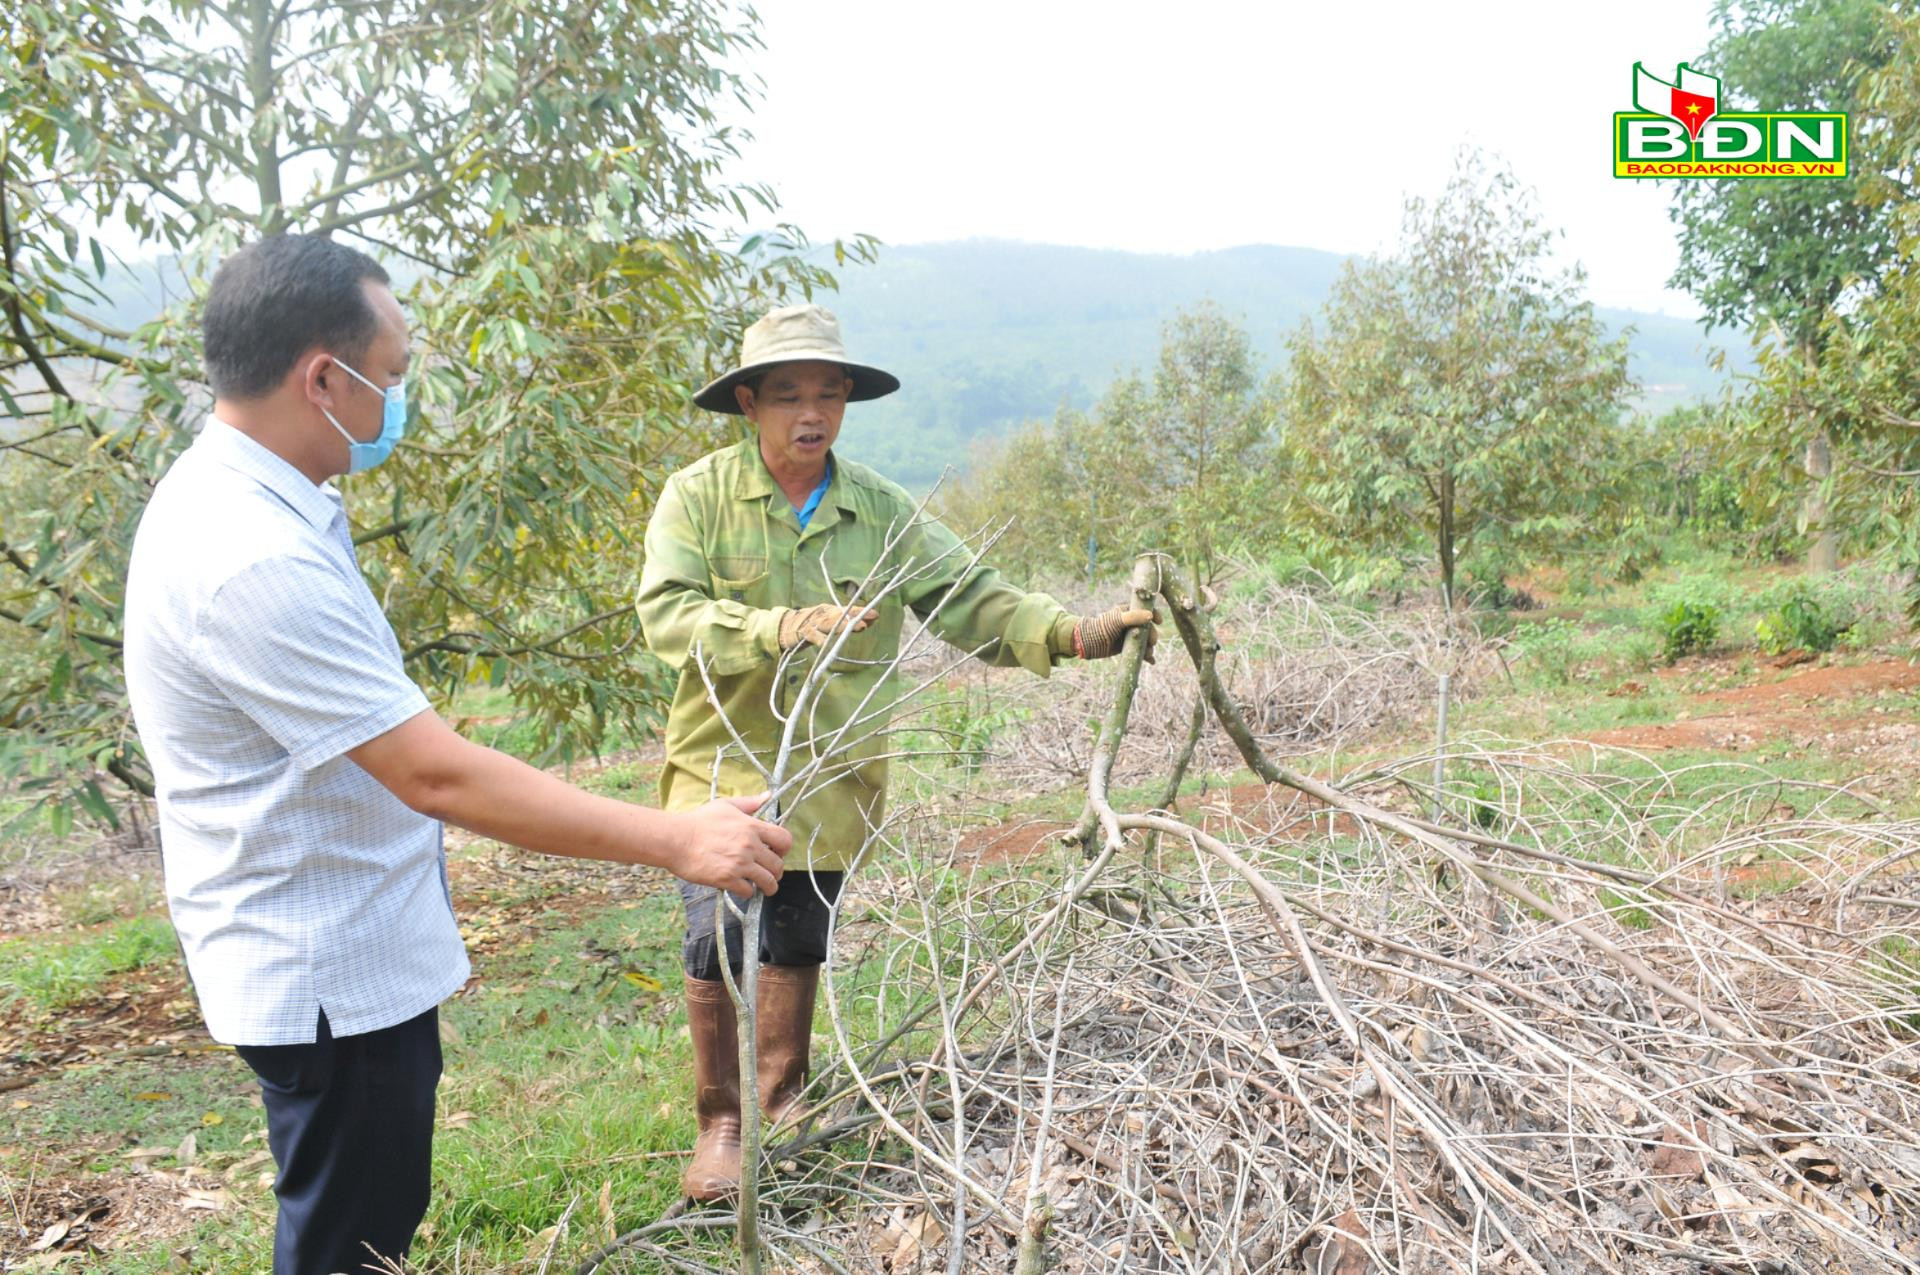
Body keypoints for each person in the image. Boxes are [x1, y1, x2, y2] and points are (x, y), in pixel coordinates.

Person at [122, 233, 792, 1275]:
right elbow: (433, 770)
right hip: (322, 970)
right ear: (321, 378)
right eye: (387, 378)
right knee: (350, 1238)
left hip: (337, 941)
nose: (396, 401)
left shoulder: (259, 501)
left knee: (365, 1214)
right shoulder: (246, 556)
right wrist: (674, 839)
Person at [635, 303, 1155, 1200]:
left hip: (834, 775)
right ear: (749, 403)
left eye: (829, 396)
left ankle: (783, 1098)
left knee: (797, 934)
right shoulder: (698, 496)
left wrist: (1073, 632)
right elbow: (668, 613)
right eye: (790, 395)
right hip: (721, 767)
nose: (812, 413)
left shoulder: (878, 510)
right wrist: (778, 627)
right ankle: (720, 1122)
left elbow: (974, 599)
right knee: (716, 936)